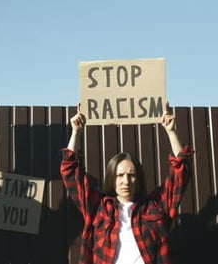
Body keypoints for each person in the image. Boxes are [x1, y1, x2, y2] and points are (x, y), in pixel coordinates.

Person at [60, 104, 193, 264]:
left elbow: (180, 172)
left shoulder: (155, 206)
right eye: (120, 175)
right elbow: (70, 171)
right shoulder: (98, 207)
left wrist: (171, 131)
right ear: (112, 178)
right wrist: (76, 131)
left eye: (131, 175)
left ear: (138, 178)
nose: (125, 181)